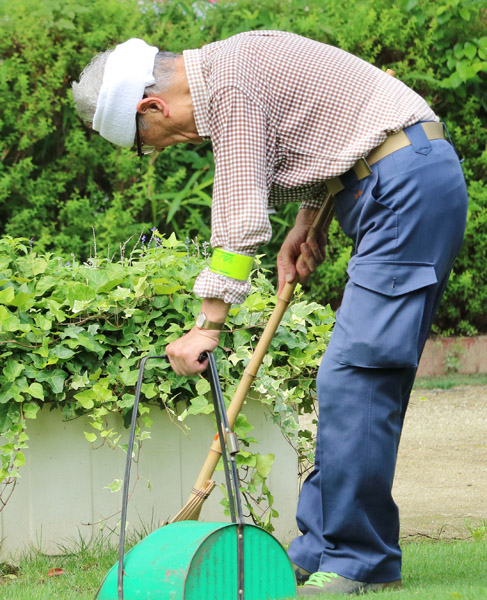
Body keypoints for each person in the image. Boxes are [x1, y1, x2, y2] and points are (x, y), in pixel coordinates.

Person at [72, 31, 468, 595]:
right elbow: (329, 133)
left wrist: (205, 327)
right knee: (349, 380)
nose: (160, 149)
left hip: (404, 188)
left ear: (152, 106)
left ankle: (361, 558)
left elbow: (237, 223)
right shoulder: (234, 67)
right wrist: (308, 226)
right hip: (389, 181)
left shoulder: (228, 87)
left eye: (147, 141)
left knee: (358, 376)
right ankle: (319, 546)